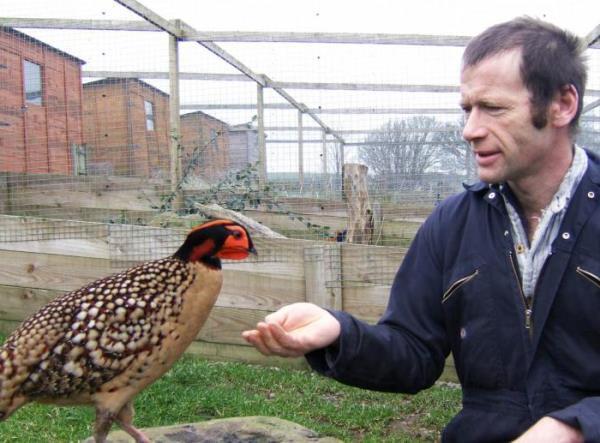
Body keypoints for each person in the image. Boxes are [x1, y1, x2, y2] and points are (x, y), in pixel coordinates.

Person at [243, 17, 599, 442]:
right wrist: (339, 332)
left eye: (494, 108)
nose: (470, 130)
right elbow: (413, 353)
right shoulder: (452, 224)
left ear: (562, 105)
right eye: (467, 109)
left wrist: (576, 427)